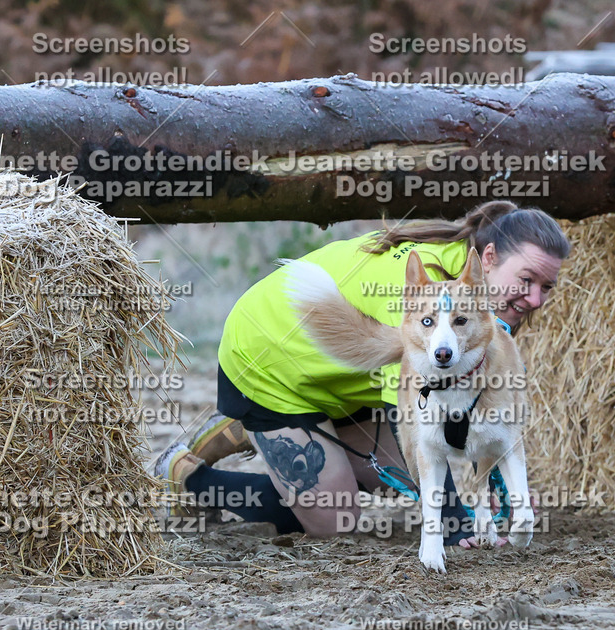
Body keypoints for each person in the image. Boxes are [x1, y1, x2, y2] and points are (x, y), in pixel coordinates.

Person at [151, 200, 570, 546]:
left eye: (546, 287)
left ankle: (295, 440)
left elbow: (479, 405)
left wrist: (499, 487)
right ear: (489, 258)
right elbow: (413, 420)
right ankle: (190, 476)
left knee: (400, 475)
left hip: (344, 383)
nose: (535, 299)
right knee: (336, 518)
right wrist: (458, 524)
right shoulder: (420, 290)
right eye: (527, 280)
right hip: (267, 363)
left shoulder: (472, 298)